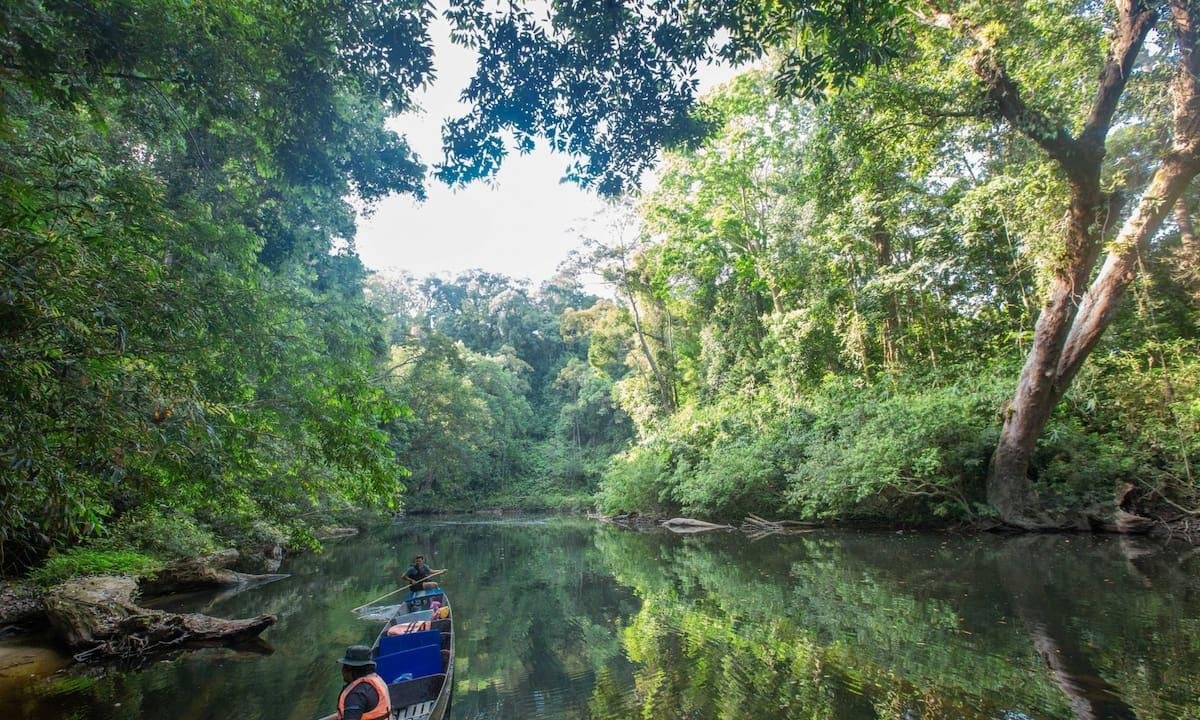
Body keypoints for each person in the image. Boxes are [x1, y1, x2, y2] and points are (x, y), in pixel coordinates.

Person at [334, 645, 390, 720]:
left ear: (349, 668)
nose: (342, 671)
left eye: (344, 666)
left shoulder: (356, 695)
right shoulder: (375, 680)